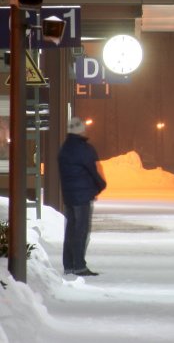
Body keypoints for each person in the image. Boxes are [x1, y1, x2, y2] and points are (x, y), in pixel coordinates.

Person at [58, 117, 106, 277]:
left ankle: (69, 265)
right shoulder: (85, 149)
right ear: (81, 131)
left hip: (69, 195)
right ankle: (79, 265)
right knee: (81, 230)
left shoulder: (64, 149)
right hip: (83, 196)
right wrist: (100, 186)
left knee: (71, 229)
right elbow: (96, 172)